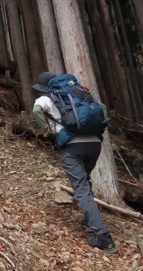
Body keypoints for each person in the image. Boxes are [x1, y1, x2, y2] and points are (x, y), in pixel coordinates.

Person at [32, 71, 118, 253]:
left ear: (44, 88)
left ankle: (102, 236)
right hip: (94, 144)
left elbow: (36, 111)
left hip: (72, 147)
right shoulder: (79, 94)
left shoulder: (46, 99)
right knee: (84, 183)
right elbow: (101, 107)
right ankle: (90, 220)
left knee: (80, 188)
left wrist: (47, 131)